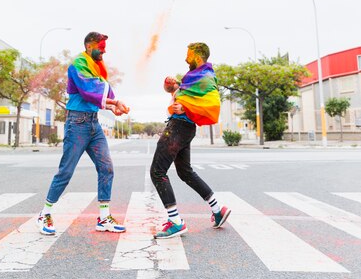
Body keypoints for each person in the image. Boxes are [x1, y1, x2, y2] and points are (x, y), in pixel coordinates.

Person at [37, 32, 130, 235]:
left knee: (106, 168)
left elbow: (97, 95)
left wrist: (113, 107)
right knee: (66, 171)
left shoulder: (93, 65)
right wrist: (114, 102)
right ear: (89, 46)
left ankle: (104, 218)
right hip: (77, 123)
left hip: (93, 124)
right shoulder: (78, 64)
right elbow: (90, 90)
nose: (104, 51)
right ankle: (45, 214)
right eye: (101, 47)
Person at [150, 42, 231, 238]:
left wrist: (184, 107)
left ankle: (175, 222)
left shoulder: (204, 76)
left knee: (157, 171)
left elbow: (210, 103)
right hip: (185, 128)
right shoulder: (195, 76)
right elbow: (187, 96)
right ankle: (217, 210)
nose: (186, 59)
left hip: (178, 128)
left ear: (197, 56)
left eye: (188, 55)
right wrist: (174, 88)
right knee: (185, 172)